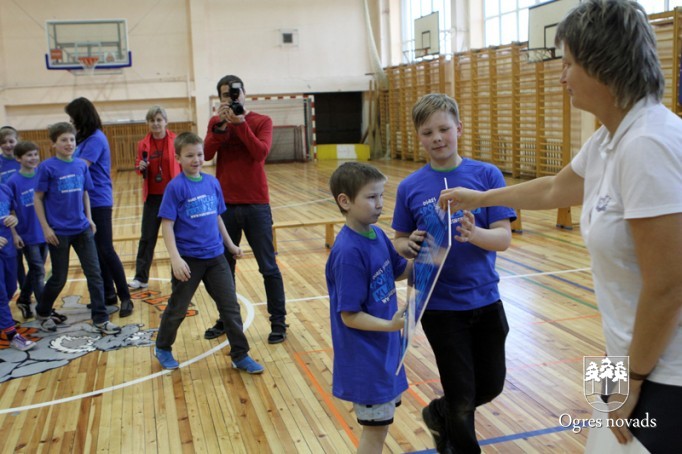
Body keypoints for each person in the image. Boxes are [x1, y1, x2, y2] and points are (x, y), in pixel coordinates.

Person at [438, 1, 682, 452]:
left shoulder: (648, 144)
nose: (561, 77)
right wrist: (482, 198)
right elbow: (555, 188)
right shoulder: (609, 138)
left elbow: (668, 284)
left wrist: (633, 378)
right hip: (622, 354)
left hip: (665, 372)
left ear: (604, 64)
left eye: (568, 63)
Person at [393, 93, 515, 453]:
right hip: (440, 307)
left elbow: (503, 238)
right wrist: (408, 245)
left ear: (459, 128)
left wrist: (474, 234)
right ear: (419, 137)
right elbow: (399, 241)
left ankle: (437, 413)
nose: (437, 138)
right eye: (427, 132)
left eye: (444, 129)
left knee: (490, 385)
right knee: (462, 397)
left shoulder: (487, 175)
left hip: (486, 299)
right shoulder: (410, 187)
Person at [155, 132, 264, 374]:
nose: (196, 159)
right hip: (189, 260)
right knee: (178, 308)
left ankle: (240, 355)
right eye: (189, 155)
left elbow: (217, 218)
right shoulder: (175, 188)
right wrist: (175, 259)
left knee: (230, 307)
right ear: (178, 158)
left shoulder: (212, 183)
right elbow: (167, 225)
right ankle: (162, 347)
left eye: (199, 154)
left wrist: (230, 246)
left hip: (215, 257)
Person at [326, 162, 412, 453]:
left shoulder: (377, 235)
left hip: (384, 353)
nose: (380, 204)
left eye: (382, 195)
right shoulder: (348, 252)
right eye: (371, 197)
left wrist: (432, 256)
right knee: (374, 434)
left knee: (380, 428)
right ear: (345, 201)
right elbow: (349, 316)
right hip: (366, 360)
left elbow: (399, 270)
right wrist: (391, 325)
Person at [203, 75, 287, 344]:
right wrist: (221, 126)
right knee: (223, 269)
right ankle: (226, 319)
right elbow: (206, 154)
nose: (232, 98)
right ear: (220, 98)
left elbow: (260, 153)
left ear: (244, 93)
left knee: (268, 267)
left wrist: (240, 124)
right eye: (226, 95)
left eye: (235, 93)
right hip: (225, 205)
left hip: (256, 204)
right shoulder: (216, 122)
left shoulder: (262, 121)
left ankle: (278, 322)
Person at [33, 122, 121, 335]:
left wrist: (89, 218)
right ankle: (43, 312)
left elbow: (85, 193)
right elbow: (37, 198)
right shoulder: (47, 167)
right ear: (53, 143)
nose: (69, 143)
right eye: (63, 140)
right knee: (59, 278)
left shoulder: (81, 165)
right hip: (58, 232)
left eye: (71, 139)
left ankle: (100, 319)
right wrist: (46, 228)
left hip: (82, 229)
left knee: (95, 274)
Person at [65, 97, 133, 317]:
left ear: (81, 117)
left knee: (106, 249)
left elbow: (79, 168)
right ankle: (108, 294)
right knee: (96, 251)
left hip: (98, 200)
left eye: (73, 118)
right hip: (85, 201)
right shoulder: (82, 138)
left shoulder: (95, 138)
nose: (71, 122)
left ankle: (125, 297)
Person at [128, 105, 180, 290]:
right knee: (147, 238)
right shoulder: (143, 144)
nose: (156, 123)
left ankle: (180, 276)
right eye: (152, 120)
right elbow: (138, 165)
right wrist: (140, 167)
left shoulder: (176, 140)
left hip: (173, 197)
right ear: (148, 123)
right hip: (152, 198)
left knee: (178, 237)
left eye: (159, 120)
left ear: (166, 121)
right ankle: (141, 278)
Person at [6, 141, 49, 320]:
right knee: (38, 270)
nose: (33, 158)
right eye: (28, 155)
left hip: (44, 231)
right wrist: (15, 234)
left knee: (35, 269)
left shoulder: (42, 175)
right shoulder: (12, 182)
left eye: (35, 154)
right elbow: (9, 210)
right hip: (26, 233)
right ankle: (43, 309)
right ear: (18, 158)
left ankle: (24, 299)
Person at [0, 183, 35, 351]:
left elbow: (12, 213)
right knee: (0, 293)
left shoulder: (4, 189)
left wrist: (14, 223)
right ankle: (12, 335)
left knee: (11, 287)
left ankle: (3, 320)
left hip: (8, 247)